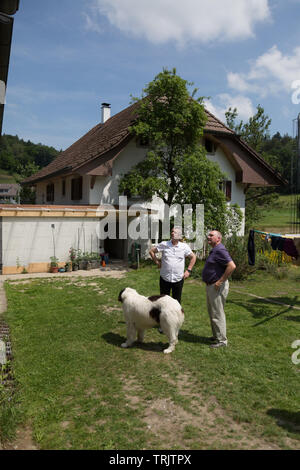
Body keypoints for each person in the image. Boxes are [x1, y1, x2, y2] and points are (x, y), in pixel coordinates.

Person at [202, 230, 236, 349]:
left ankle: (222, 340)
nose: (208, 237)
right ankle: (217, 335)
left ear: (218, 239)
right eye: (208, 235)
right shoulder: (215, 250)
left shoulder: (220, 250)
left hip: (216, 286)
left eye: (211, 235)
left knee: (217, 313)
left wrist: (220, 281)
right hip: (211, 285)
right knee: (212, 312)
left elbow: (232, 266)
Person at [149, 227, 196, 304]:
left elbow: (193, 257)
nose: (172, 233)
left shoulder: (184, 247)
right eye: (172, 232)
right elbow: (151, 251)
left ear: (179, 236)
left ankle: (176, 315)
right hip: (165, 278)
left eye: (175, 232)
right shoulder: (164, 244)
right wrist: (157, 262)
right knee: (163, 301)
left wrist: (188, 270)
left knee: (176, 302)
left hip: (178, 279)